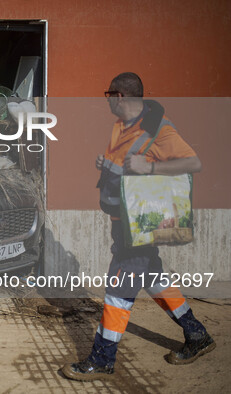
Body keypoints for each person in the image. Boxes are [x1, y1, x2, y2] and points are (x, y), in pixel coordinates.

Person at [62, 72, 215, 381]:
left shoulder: (159, 130)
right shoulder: (122, 126)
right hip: (123, 224)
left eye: (108, 95)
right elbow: (124, 167)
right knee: (156, 281)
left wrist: (152, 167)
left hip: (138, 229)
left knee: (118, 293)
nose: (106, 100)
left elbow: (193, 162)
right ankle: (198, 335)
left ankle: (102, 358)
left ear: (120, 97)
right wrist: (105, 165)